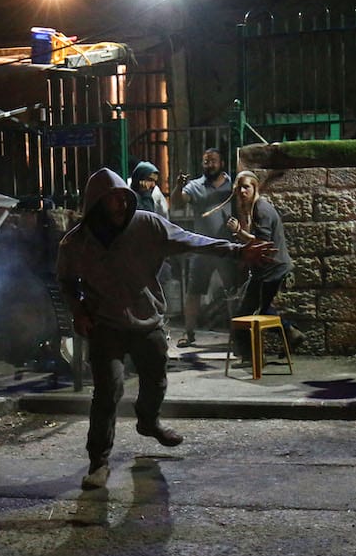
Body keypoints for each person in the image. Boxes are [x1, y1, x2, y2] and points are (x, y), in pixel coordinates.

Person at [56, 167, 275, 490]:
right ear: (95, 204)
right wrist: (78, 310)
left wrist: (238, 251)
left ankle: (148, 421)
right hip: (106, 325)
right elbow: (65, 281)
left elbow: (193, 241)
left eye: (122, 198)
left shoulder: (147, 225)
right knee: (107, 391)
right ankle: (98, 461)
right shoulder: (76, 243)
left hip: (147, 321)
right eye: (110, 199)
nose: (118, 205)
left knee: (156, 378)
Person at [224, 170, 303, 361]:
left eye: (246, 187)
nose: (242, 191)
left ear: (255, 187)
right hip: (266, 269)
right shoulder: (254, 207)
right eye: (240, 187)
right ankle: (290, 334)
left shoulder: (261, 209)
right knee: (260, 309)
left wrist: (239, 232)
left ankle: (252, 357)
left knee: (244, 313)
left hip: (271, 270)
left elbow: (262, 242)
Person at [168, 147, 236, 347]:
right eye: (206, 161)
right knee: (193, 291)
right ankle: (189, 334)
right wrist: (178, 188)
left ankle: (236, 334)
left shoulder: (234, 185)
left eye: (213, 161)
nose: (209, 165)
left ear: (222, 163)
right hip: (203, 247)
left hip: (226, 248)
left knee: (233, 291)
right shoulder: (195, 186)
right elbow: (178, 203)